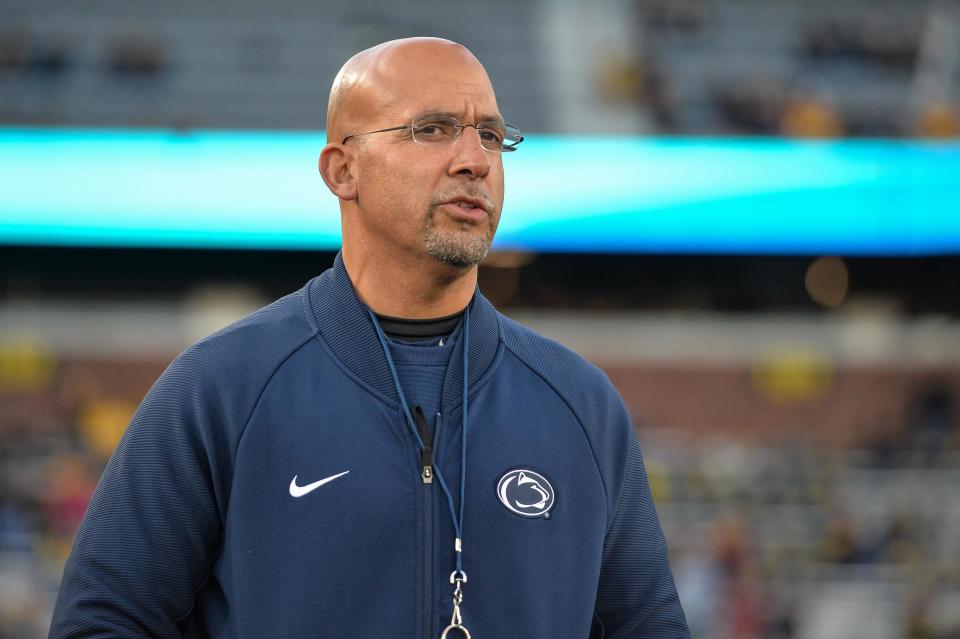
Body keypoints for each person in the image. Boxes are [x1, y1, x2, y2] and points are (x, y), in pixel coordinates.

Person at [50, 37, 689, 638]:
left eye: (491, 135)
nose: (474, 160)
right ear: (342, 169)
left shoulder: (580, 402)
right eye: (432, 129)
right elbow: (102, 622)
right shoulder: (223, 386)